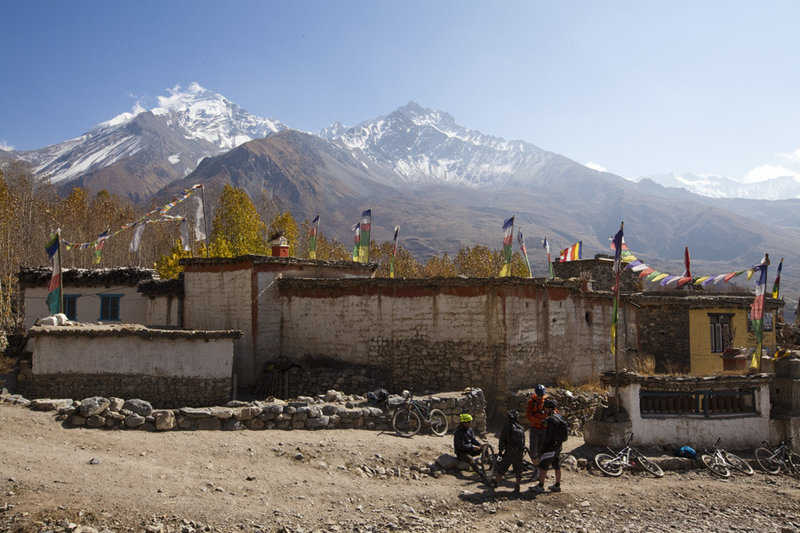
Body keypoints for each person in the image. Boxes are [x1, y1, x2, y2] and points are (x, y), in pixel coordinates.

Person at [531, 398, 564, 493]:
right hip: (558, 446)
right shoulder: (559, 417)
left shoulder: (550, 420)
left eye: (545, 408)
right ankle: (557, 485)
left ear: (549, 408)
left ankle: (540, 486)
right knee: (556, 465)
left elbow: (548, 436)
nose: (544, 410)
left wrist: (543, 448)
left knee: (543, 465)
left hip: (551, 447)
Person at [490, 410, 525, 493]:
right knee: (518, 470)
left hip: (510, 451)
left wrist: (500, 452)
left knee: (502, 467)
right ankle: (517, 486)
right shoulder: (521, 428)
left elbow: (502, 440)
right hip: (519, 452)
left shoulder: (507, 427)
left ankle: (495, 482)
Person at [453, 413, 487, 480]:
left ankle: (488, 462)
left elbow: (473, 439)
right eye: (469, 422)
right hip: (461, 452)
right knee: (471, 460)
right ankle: (480, 474)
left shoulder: (469, 429)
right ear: (464, 423)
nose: (470, 424)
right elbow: (461, 446)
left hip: (469, 449)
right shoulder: (458, 433)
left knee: (485, 448)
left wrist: (480, 444)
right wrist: (472, 448)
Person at [526, 384, 550, 465]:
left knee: (542, 450)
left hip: (545, 429)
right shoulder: (531, 402)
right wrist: (540, 421)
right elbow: (529, 416)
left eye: (541, 395)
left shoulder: (547, 402)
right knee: (533, 450)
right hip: (534, 428)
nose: (540, 397)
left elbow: (554, 413)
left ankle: (539, 469)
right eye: (539, 395)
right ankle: (536, 465)